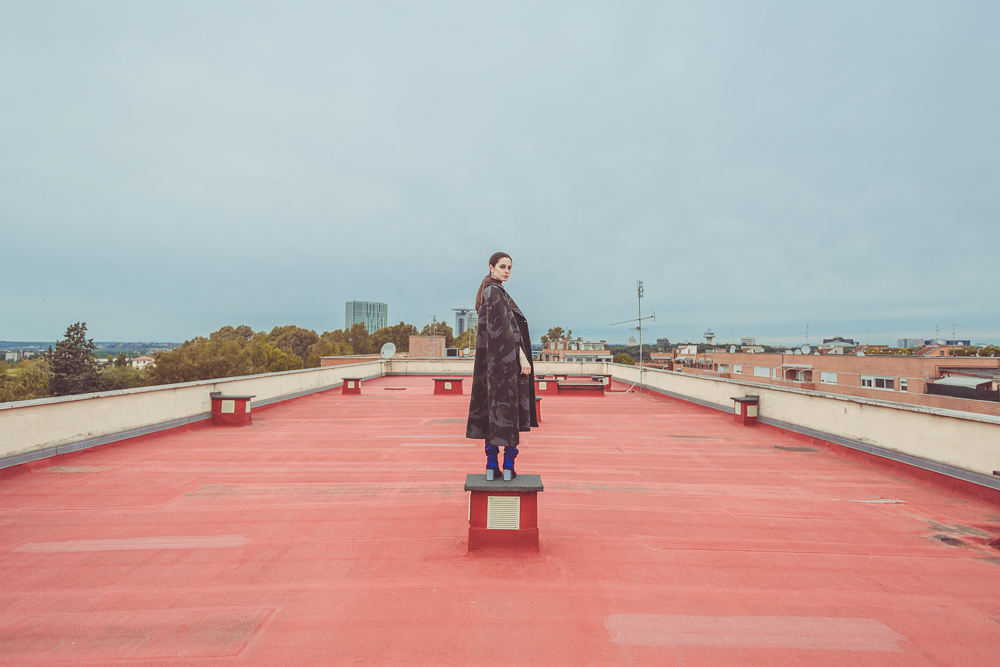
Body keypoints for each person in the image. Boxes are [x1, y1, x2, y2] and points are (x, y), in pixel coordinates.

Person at [466, 252, 538, 481]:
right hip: (505, 365)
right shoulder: (495, 292)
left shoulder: (486, 292)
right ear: (491, 267)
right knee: (509, 413)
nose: (506, 271)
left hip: (491, 366)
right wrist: (522, 357)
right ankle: (508, 465)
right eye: (502, 267)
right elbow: (507, 331)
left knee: (492, 412)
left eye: (509, 268)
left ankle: (491, 464)